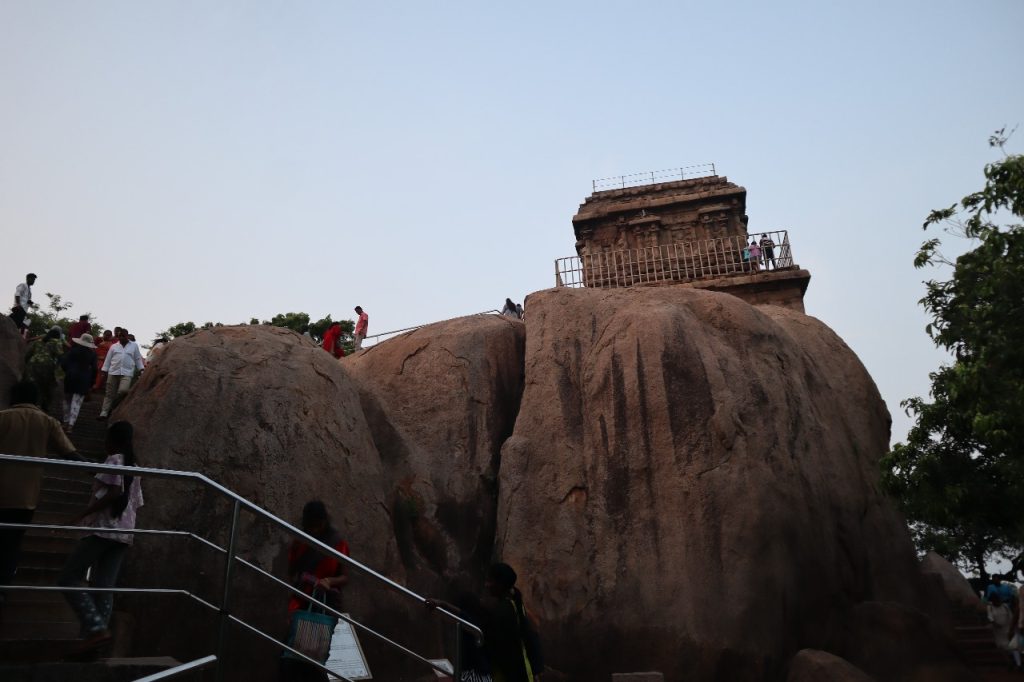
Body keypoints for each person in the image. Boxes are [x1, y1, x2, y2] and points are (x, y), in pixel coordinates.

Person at [57, 421, 143, 650]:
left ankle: (95, 628)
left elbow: (115, 492)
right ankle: (96, 640)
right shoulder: (134, 466)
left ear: (112, 440)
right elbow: (136, 503)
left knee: (68, 577)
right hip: (125, 533)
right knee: (105, 586)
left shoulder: (115, 459)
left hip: (105, 529)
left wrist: (81, 515)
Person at [0, 381, 81, 605]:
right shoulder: (48, 422)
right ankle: (3, 588)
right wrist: (99, 468)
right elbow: (70, 453)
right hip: (25, 499)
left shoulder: (3, 417)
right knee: (12, 543)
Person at [427, 563, 539, 682]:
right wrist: (443, 604)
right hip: (515, 671)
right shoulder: (510, 604)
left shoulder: (503, 612)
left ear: (500, 585)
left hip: (511, 673)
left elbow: (474, 621)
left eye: (489, 581)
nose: (486, 585)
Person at [280, 500, 350, 682]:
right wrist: (303, 580)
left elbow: (345, 576)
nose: (316, 530)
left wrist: (328, 581)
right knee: (292, 656)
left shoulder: (337, 543)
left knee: (316, 658)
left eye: (319, 525)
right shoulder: (300, 541)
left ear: (325, 522)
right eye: (312, 526)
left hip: (325, 606)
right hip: (301, 602)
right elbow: (291, 572)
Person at [98, 328, 145, 420]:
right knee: (109, 393)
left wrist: (141, 369)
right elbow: (108, 359)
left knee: (123, 391)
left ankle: (113, 407)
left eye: (123, 336)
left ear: (127, 336)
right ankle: (104, 412)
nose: (121, 337)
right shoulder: (114, 346)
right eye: (119, 336)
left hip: (127, 372)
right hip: (113, 371)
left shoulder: (134, 346)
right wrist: (104, 370)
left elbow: (137, 358)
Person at [61, 333, 98, 433]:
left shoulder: (73, 351)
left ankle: (65, 422)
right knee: (76, 403)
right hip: (83, 380)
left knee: (67, 400)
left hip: (70, 377)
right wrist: (92, 382)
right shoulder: (93, 354)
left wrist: (68, 371)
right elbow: (95, 369)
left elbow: (64, 363)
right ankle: (70, 425)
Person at [25, 327, 65, 415]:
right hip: (47, 366)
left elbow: (29, 354)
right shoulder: (56, 342)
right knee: (46, 387)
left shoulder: (39, 340)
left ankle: (32, 404)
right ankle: (44, 406)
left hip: (32, 365)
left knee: (34, 385)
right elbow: (60, 356)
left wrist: (25, 364)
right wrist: (58, 367)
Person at [988, 594, 1022, 670]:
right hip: (998, 631)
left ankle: (1017, 663)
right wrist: (995, 624)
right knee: (1001, 647)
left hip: (1007, 628)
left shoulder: (1005, 606)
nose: (998, 602)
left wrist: (1012, 627)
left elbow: (1011, 616)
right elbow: (990, 617)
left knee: (1012, 646)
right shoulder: (990, 608)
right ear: (993, 602)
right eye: (996, 601)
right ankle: (1009, 663)